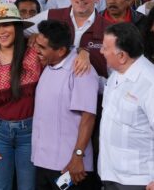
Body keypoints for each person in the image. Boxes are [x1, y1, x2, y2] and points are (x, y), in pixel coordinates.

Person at [99, 23, 154, 190]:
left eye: (105, 48)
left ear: (121, 56)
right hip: (110, 174)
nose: (101, 52)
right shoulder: (115, 76)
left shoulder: (153, 83)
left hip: (140, 180)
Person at [0, 3, 40, 190]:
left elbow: (64, 52)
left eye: (7, 25)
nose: (1, 31)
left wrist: (83, 53)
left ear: (17, 28)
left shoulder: (35, 54)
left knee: (28, 187)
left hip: (31, 131)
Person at [31, 19, 98, 190]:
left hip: (69, 167)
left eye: (42, 47)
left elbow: (88, 117)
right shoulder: (49, 65)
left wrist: (77, 157)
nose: (36, 50)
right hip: (43, 163)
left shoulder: (81, 70)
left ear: (61, 50)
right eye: (36, 44)